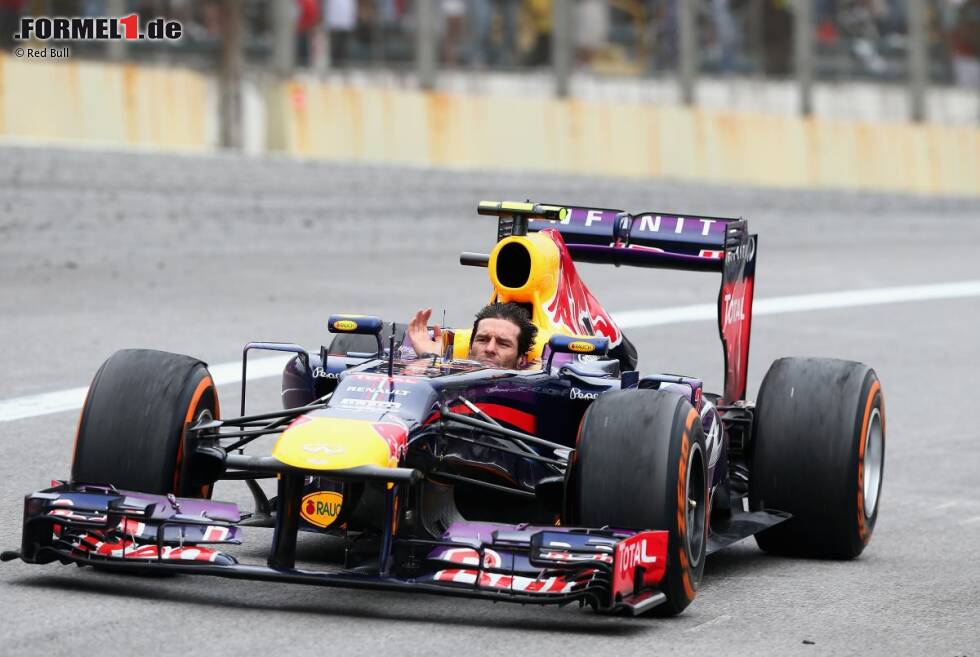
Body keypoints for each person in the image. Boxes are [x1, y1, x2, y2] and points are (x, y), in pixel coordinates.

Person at [407, 302, 538, 370]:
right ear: (470, 348)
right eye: (482, 340)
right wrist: (430, 359)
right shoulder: (447, 375)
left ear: (522, 360)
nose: (490, 349)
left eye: (503, 343)